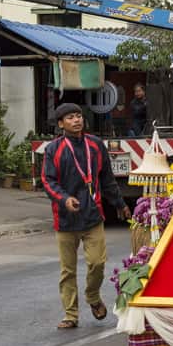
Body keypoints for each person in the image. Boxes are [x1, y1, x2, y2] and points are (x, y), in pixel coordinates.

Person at [42, 103, 131, 329]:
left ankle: (92, 296)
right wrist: (64, 199)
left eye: (79, 116)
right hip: (65, 219)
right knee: (68, 270)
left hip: (92, 216)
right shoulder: (54, 149)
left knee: (98, 263)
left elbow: (107, 179)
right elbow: (48, 181)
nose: (76, 120)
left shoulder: (95, 145)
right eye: (70, 117)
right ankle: (70, 315)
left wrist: (120, 204)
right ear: (61, 124)